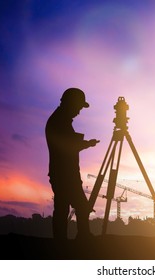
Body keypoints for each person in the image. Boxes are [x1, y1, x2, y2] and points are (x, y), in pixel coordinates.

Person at [45, 88, 99, 240]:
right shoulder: (59, 121)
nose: (79, 111)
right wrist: (86, 144)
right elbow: (67, 146)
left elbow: (67, 144)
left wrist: (85, 143)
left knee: (64, 208)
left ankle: (67, 239)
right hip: (64, 175)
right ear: (71, 103)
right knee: (79, 207)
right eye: (78, 107)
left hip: (64, 173)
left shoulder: (60, 120)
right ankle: (80, 238)